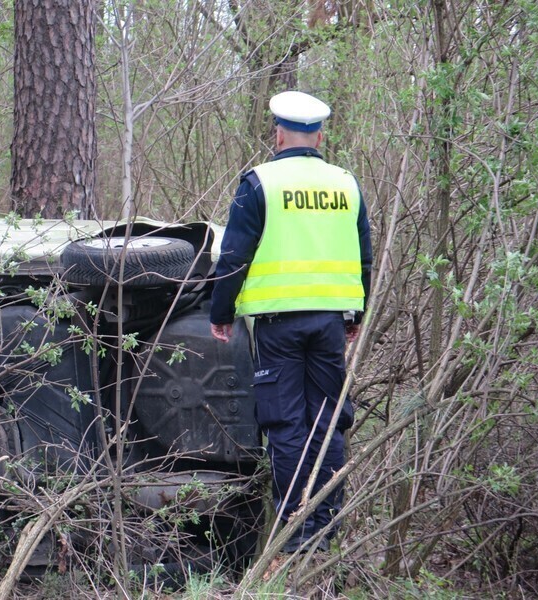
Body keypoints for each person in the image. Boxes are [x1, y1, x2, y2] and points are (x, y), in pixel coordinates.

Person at [209, 91, 372, 552]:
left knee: (285, 425)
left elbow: (234, 256)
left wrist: (221, 313)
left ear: (278, 134)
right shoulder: (346, 184)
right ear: (319, 136)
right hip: (330, 321)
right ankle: (325, 529)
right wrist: (356, 313)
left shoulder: (260, 182)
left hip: (279, 324)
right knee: (328, 423)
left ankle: (295, 533)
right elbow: (364, 256)